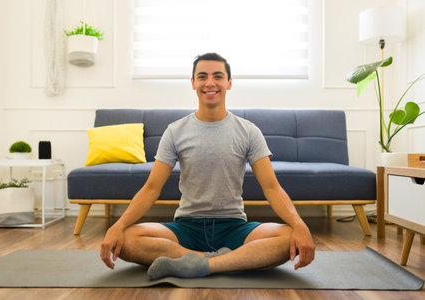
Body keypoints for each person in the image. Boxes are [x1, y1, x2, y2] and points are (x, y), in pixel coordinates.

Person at [100, 53, 315, 280]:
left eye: (218, 76)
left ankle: (197, 264)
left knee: (289, 236)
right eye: (202, 76)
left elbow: (272, 187)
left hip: (234, 227)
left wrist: (299, 225)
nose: (210, 83)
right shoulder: (175, 131)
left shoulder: (249, 131)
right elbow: (151, 188)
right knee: (126, 238)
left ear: (229, 83)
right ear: (193, 83)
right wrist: (118, 225)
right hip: (186, 227)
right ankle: (226, 261)